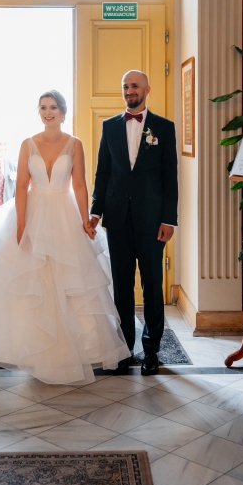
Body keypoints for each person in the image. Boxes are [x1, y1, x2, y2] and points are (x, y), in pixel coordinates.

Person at [0, 91, 130, 384]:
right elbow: (21, 187)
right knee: (31, 279)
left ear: (63, 111)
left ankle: (73, 350)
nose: (48, 112)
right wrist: (21, 224)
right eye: (43, 107)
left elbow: (80, 184)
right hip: (34, 214)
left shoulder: (75, 144)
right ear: (39, 112)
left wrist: (85, 219)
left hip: (65, 215)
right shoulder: (27, 144)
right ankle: (31, 350)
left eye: (53, 107)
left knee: (70, 280)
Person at [90, 70, 178, 376]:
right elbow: (103, 173)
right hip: (117, 219)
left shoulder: (163, 128)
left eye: (135, 86)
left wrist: (169, 219)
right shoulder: (109, 126)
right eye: (125, 86)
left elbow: (170, 177)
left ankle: (151, 350)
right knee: (122, 286)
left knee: (153, 286)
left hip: (152, 220)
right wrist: (95, 212)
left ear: (147, 89)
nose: (129, 90)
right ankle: (124, 348)